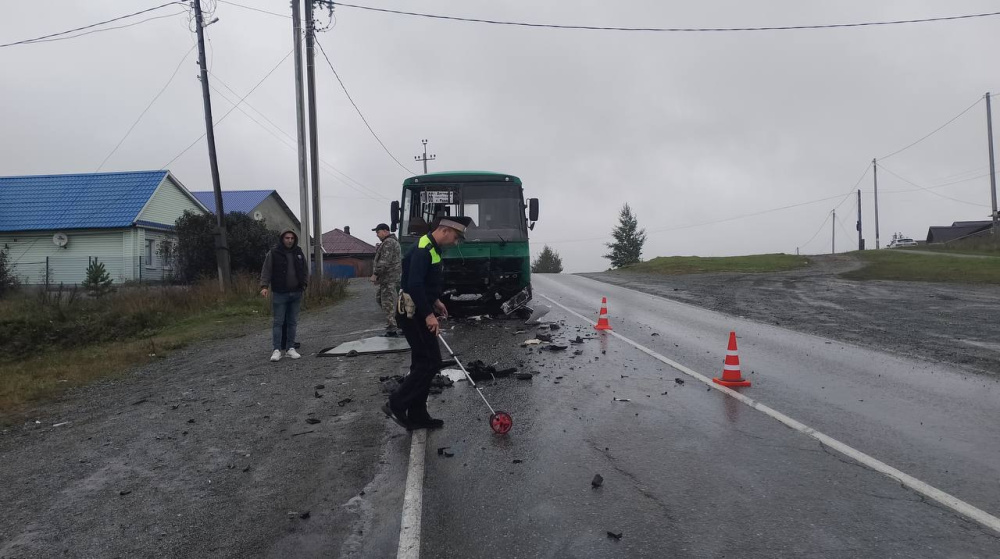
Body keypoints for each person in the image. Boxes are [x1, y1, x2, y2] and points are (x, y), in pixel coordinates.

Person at [382, 216, 472, 430]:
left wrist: (436, 301)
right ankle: (396, 403)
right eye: (457, 237)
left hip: (421, 309)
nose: (456, 242)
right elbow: (413, 284)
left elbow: (425, 282)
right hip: (412, 313)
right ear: (446, 230)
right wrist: (428, 315)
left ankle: (418, 413)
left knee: (427, 361)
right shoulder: (423, 248)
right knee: (427, 362)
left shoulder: (433, 248)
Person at [260, 229, 307, 362]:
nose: (290, 240)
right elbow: (266, 270)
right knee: (278, 322)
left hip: (296, 293)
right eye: (287, 238)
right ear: (282, 239)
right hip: (280, 293)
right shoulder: (274, 253)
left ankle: (290, 348)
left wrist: (304, 284)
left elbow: (304, 269)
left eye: (292, 238)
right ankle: (276, 350)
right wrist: (264, 286)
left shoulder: (298, 252)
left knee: (292, 322)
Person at [370, 223, 402, 337]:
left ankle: (392, 329)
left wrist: (375, 274)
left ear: (385, 231)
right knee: (381, 299)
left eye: (378, 232)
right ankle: (400, 323)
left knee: (387, 302)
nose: (377, 235)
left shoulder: (388, 243)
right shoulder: (390, 242)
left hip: (389, 278)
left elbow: (384, 261)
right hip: (389, 278)